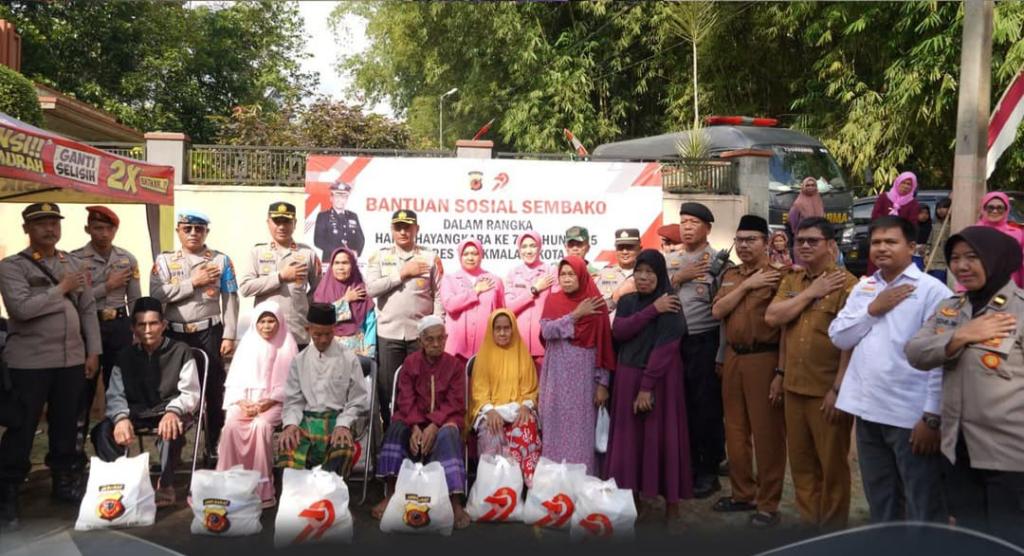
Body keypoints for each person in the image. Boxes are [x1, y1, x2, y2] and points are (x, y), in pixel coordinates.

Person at [906, 227, 1024, 544]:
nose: (961, 266)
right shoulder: (950, 309)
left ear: (997, 259)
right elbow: (915, 352)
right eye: (955, 258)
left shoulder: (1021, 312)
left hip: (1011, 458)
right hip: (958, 449)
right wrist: (961, 336)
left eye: (972, 257)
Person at [828, 216, 949, 523]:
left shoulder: (933, 291)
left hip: (911, 416)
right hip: (868, 411)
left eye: (891, 242)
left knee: (922, 501)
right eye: (876, 242)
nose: (881, 248)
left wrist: (932, 417)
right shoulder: (866, 288)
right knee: (881, 498)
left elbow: (939, 358)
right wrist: (872, 310)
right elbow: (839, 336)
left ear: (912, 247)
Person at [0, 203, 101, 527]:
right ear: (27, 229)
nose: (50, 228)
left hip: (70, 360)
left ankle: (64, 483)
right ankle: (8, 491)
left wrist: (93, 352)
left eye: (54, 222)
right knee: (22, 427)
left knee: (66, 424)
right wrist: (61, 289)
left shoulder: (73, 263)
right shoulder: (12, 267)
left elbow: (87, 309)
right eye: (41, 223)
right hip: (29, 363)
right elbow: (20, 309)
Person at [765, 217, 858, 529]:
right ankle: (809, 528)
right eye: (800, 240)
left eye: (812, 241)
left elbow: (852, 344)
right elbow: (774, 318)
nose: (804, 246)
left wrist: (839, 388)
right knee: (802, 467)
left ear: (831, 245)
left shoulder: (849, 285)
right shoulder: (792, 281)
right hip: (793, 387)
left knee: (832, 469)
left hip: (826, 391)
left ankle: (832, 533)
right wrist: (810, 293)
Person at [710, 215, 787, 528]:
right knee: (736, 431)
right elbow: (717, 311)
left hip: (763, 359)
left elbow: (785, 327)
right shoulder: (730, 275)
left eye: (751, 240)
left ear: (766, 242)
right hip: (733, 359)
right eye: (739, 240)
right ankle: (743, 494)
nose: (743, 245)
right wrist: (748, 286)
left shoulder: (780, 276)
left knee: (767, 434)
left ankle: (769, 504)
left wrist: (781, 372)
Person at [605, 249, 692, 522]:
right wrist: (653, 310)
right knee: (630, 443)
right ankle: (633, 503)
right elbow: (620, 331)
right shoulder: (630, 301)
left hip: (660, 382)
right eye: (638, 272)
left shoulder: (672, 302)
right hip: (627, 378)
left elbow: (666, 347)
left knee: (664, 439)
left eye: (649, 272)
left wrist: (646, 387)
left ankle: (672, 509)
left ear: (660, 274)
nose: (643, 277)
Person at [90, 297, 199, 508]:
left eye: (153, 323)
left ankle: (166, 484)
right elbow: (115, 394)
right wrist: (121, 418)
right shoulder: (124, 356)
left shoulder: (181, 351)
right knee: (102, 430)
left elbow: (191, 392)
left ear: (164, 325)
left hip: (171, 410)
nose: (148, 329)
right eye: (141, 324)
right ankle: (123, 484)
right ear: (133, 328)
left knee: (170, 428)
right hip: (136, 411)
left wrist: (174, 411)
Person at [151, 210, 239, 460]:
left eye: (198, 229)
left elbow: (230, 298)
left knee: (213, 390)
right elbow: (156, 295)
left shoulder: (221, 260)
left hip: (209, 332)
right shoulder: (165, 261)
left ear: (206, 232)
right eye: (187, 228)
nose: (193, 233)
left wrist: (229, 334)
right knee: (175, 390)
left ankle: (212, 445)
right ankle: (172, 448)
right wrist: (193, 282)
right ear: (178, 230)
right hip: (175, 334)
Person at [371, 316, 470, 529]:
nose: (436, 344)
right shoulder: (411, 363)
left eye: (440, 339)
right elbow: (405, 398)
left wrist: (434, 425)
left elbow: (455, 402)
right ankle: (391, 493)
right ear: (421, 341)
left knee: (450, 434)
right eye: (430, 340)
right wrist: (415, 425)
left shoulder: (454, 365)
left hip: (444, 420)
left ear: (446, 339)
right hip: (412, 417)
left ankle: (454, 502)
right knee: (396, 429)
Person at [667, 202, 728, 498]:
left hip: (706, 341)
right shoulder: (671, 260)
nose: (687, 227)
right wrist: (679, 277)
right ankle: (688, 464)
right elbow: (656, 293)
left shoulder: (718, 261)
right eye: (683, 221)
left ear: (707, 228)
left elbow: (726, 310)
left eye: (693, 222)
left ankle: (709, 469)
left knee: (707, 408)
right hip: (677, 342)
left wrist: (721, 354)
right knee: (684, 406)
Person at [72, 205, 141, 462]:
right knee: (82, 390)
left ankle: (114, 451)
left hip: (119, 328)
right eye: (97, 228)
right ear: (88, 228)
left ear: (115, 230)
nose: (102, 233)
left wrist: (138, 331)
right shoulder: (75, 259)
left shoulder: (127, 259)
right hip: (88, 328)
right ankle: (75, 454)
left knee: (119, 388)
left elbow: (134, 299)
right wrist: (107, 286)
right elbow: (77, 297)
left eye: (107, 228)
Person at [538, 256, 615, 475]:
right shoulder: (552, 300)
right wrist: (575, 315)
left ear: (582, 275)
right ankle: (554, 487)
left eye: (572, 274)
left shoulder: (596, 303)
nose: (567, 279)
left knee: (581, 433)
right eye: (563, 274)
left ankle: (581, 486)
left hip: (584, 379)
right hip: (556, 377)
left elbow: (604, 345)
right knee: (555, 431)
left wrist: (603, 384)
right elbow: (547, 331)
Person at [365, 209, 444, 421]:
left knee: (422, 389)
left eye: (407, 227)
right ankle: (392, 433)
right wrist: (402, 274)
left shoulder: (430, 257)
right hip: (389, 334)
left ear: (416, 229)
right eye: (398, 227)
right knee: (389, 390)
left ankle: (419, 438)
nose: (402, 231)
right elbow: (371, 289)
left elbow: (439, 296)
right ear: (391, 230)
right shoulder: (379, 257)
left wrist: (436, 328)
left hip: (421, 337)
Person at [218, 301, 296, 507]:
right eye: (262, 322)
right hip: (245, 399)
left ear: (279, 322)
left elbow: (291, 384)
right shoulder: (247, 343)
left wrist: (266, 403)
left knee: (260, 427)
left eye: (271, 321)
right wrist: (243, 402)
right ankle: (229, 486)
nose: (267, 326)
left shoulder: (288, 344)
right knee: (231, 426)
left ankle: (262, 490)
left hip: (275, 402)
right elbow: (234, 380)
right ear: (255, 323)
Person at [277, 303, 370, 477]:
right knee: (288, 445)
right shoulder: (299, 360)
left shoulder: (349, 358)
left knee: (343, 449)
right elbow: (293, 400)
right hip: (306, 421)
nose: (323, 339)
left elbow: (358, 400)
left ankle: (327, 498)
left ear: (334, 329)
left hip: (338, 420)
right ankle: (299, 501)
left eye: (328, 333)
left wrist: (344, 425)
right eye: (317, 334)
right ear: (308, 329)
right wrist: (290, 425)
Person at [469, 309, 542, 486]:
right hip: (491, 411)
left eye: (507, 328)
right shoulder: (483, 357)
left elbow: (531, 389)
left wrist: (525, 406)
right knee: (491, 432)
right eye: (498, 328)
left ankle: (524, 488)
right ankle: (493, 489)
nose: (502, 332)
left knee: (526, 428)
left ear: (513, 329)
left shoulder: (522, 354)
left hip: (518, 409)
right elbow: (479, 392)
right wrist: (490, 411)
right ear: (491, 331)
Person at [239, 202, 321, 349]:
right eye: (277, 221)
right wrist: (280, 277)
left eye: (287, 221)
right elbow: (245, 288)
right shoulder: (257, 252)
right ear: (268, 222)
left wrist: (302, 307)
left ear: (294, 223)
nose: (282, 227)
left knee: (296, 372)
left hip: (296, 331)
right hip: (265, 332)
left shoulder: (308, 253)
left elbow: (319, 290)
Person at [440, 239, 505, 359]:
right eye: (466, 254)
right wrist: (475, 291)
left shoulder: (494, 281)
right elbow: (450, 305)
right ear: (460, 256)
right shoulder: (449, 279)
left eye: (474, 253)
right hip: (456, 351)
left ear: (481, 256)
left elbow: (501, 314)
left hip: (486, 348)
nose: (470, 258)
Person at [504, 232, 556, 369]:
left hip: (544, 344)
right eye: (524, 246)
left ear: (540, 248)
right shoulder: (512, 274)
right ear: (519, 250)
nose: (528, 250)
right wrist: (534, 290)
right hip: (518, 344)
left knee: (544, 389)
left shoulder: (550, 271)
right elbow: (509, 307)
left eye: (533, 246)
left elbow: (558, 307)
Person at [313, 247, 377, 357]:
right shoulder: (322, 292)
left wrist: (369, 352)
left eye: (345, 263)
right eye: (336, 263)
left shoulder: (360, 290)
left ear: (352, 266)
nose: (340, 267)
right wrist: (345, 300)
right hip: (327, 350)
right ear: (331, 266)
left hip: (357, 353)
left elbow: (370, 324)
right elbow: (320, 320)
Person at [868, 172, 921, 276]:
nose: (905, 186)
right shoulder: (884, 198)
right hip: (881, 238)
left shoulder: (913, 204)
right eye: (903, 183)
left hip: (899, 243)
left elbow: (912, 225)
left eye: (909, 184)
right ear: (897, 183)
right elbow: (875, 216)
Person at [974, 191, 1024, 287]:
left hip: (1011, 288)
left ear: (1006, 210)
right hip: (980, 286)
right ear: (983, 209)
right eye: (990, 207)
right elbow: (966, 262)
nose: (995, 211)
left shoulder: (1018, 233)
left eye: (1000, 208)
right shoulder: (972, 233)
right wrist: (962, 288)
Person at [314, 180, 365, 260]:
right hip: (330, 260)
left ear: (347, 199)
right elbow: (318, 240)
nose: (340, 200)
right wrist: (339, 252)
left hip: (349, 261)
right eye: (337, 196)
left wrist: (356, 252)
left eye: (343, 197)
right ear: (331, 198)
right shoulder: (323, 216)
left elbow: (361, 239)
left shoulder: (353, 216)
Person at [596, 228, 641, 315]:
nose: (625, 252)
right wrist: (616, 296)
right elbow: (597, 310)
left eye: (629, 247)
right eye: (620, 248)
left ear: (640, 248)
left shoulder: (648, 274)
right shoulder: (602, 274)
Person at [926, 197, 952, 284]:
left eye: (944, 207)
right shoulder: (935, 225)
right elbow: (929, 242)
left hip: (943, 263)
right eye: (939, 208)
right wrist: (927, 254)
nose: (941, 210)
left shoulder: (952, 225)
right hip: (932, 262)